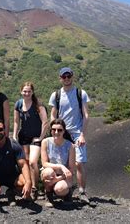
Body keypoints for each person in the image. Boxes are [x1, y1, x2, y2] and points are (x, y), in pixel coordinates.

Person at [48, 67, 91, 204]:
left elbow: (86, 115)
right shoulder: (56, 95)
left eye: (68, 76)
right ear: (60, 78)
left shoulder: (80, 93)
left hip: (77, 132)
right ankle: (66, 190)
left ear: (72, 76)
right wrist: (54, 131)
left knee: (79, 163)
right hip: (62, 132)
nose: (66, 79)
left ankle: (82, 191)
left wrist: (83, 134)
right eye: (64, 76)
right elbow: (53, 114)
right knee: (62, 163)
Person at [12, 81, 48, 200]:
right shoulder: (18, 104)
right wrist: (14, 134)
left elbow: (45, 122)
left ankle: (34, 187)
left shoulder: (38, 104)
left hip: (35, 137)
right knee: (25, 162)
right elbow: (16, 121)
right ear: (21, 91)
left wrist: (41, 137)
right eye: (25, 91)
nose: (27, 93)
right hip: (23, 137)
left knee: (33, 162)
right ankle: (28, 187)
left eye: (29, 91)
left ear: (32, 92)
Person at [41, 119, 76, 207]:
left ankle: (67, 194)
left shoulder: (70, 146)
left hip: (64, 176)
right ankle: (48, 194)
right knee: (47, 172)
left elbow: (71, 169)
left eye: (59, 130)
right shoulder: (45, 142)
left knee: (60, 189)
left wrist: (57, 179)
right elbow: (44, 163)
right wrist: (60, 166)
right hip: (51, 173)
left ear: (64, 131)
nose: (56, 132)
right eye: (54, 129)